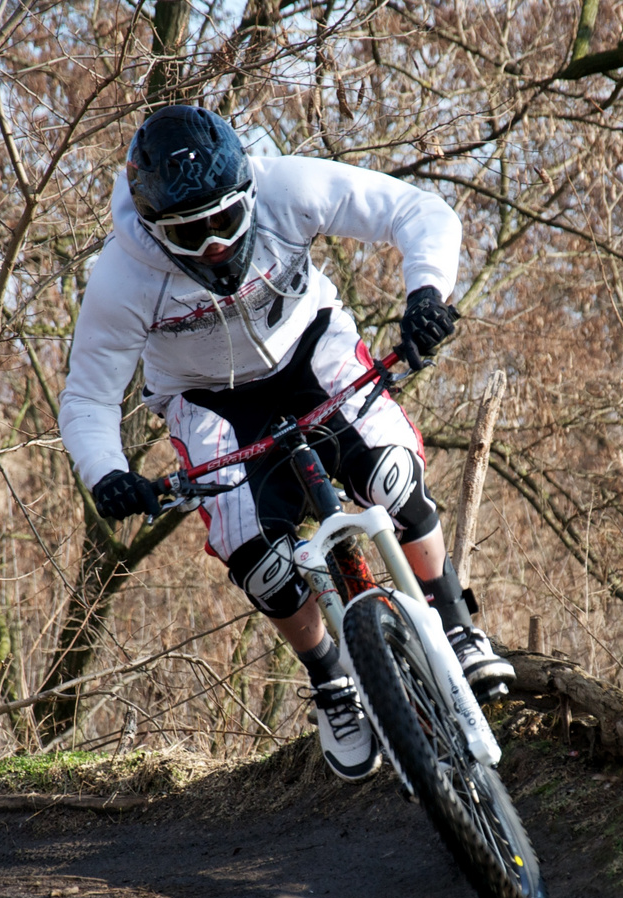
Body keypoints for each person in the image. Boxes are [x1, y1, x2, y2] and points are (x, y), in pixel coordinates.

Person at [58, 105, 514, 782]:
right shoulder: (122, 278)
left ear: (247, 195)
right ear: (156, 228)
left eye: (224, 220)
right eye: (190, 231)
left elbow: (418, 212)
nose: (214, 244)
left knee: (393, 477)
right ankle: (331, 681)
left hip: (310, 350)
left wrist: (426, 294)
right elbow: (89, 398)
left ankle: (453, 621)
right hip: (209, 399)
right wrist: (107, 474)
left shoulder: (285, 188)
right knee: (259, 558)